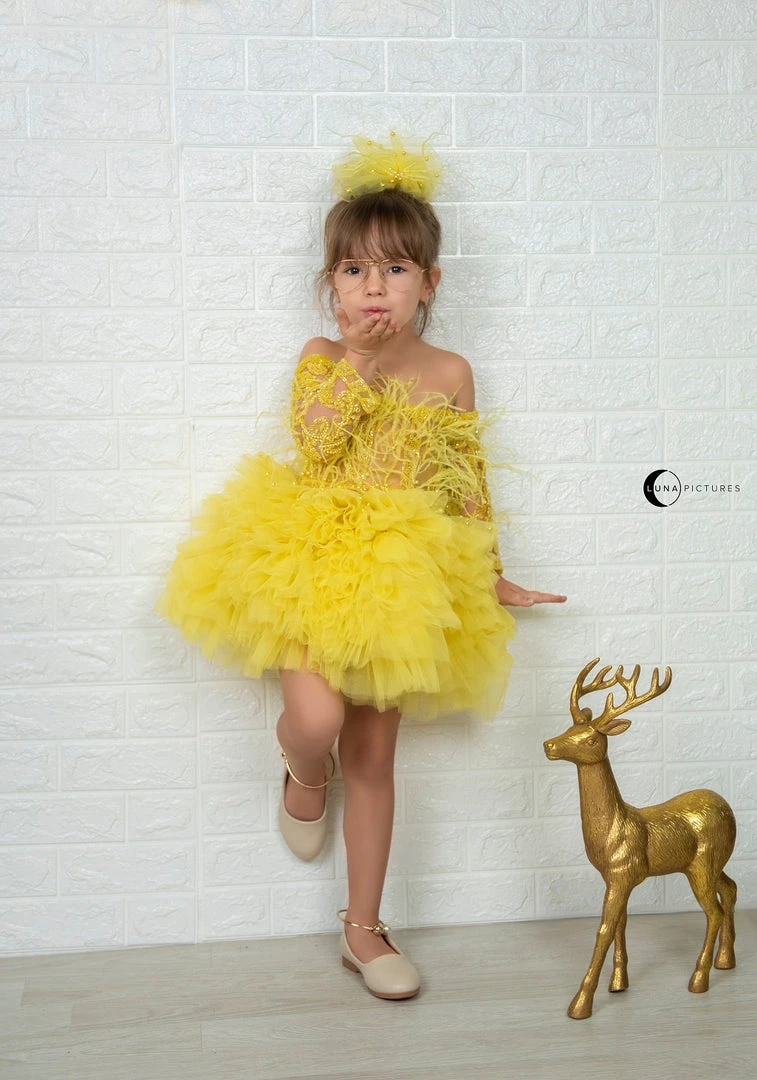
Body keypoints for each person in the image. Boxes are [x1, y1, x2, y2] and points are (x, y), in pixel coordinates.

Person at [156, 132, 566, 1002]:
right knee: (315, 714)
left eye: (394, 269)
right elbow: (316, 442)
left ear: (430, 283)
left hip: (399, 579)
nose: (373, 287)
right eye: (353, 270)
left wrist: (491, 573)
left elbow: (465, 481)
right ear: (330, 285)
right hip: (309, 558)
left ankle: (363, 930)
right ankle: (304, 767)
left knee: (375, 754)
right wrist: (360, 360)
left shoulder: (449, 371)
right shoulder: (321, 356)